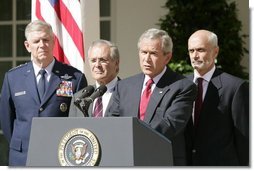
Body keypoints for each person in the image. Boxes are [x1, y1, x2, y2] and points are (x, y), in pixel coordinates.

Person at [0, 20, 87, 166]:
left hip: (59, 155)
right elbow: (6, 120)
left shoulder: (75, 78)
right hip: (22, 156)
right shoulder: (13, 78)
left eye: (46, 40)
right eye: (36, 41)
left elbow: (79, 121)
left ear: (53, 43)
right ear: (27, 46)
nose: (42, 45)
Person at [107, 28, 197, 166]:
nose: (147, 59)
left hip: (162, 161)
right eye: (143, 52)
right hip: (127, 162)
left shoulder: (183, 86)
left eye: (153, 53)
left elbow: (170, 124)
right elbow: (112, 121)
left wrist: (133, 141)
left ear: (167, 57)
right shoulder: (124, 86)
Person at [185, 29, 249, 166]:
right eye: (191, 51)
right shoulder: (181, 85)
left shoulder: (235, 87)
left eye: (200, 50)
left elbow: (244, 140)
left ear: (215, 52)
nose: (195, 56)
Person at [69, 39, 120, 117]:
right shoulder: (79, 97)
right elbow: (73, 128)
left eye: (102, 60)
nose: (97, 65)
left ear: (116, 63)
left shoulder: (126, 93)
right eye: (93, 60)